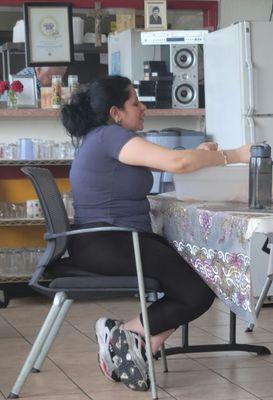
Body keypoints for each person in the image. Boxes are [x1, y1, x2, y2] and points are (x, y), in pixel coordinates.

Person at [60, 75, 251, 391]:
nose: (143, 107)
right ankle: (125, 334)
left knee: (193, 283)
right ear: (116, 112)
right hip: (110, 243)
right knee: (198, 290)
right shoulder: (111, 136)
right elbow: (177, 161)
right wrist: (234, 155)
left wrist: (200, 155)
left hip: (109, 241)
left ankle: (137, 349)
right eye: (135, 102)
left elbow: (173, 162)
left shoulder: (104, 137)